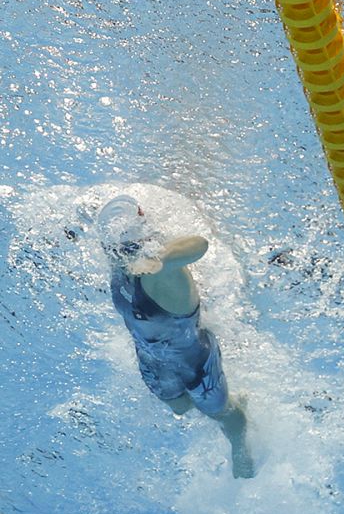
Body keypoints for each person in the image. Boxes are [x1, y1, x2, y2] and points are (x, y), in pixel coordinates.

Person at [95, 194, 256, 478]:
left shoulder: (160, 269)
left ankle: (239, 442)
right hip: (152, 363)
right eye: (117, 248)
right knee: (180, 407)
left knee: (221, 413)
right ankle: (227, 400)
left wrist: (160, 259)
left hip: (196, 364)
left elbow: (199, 245)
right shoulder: (118, 264)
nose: (121, 253)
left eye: (128, 246)